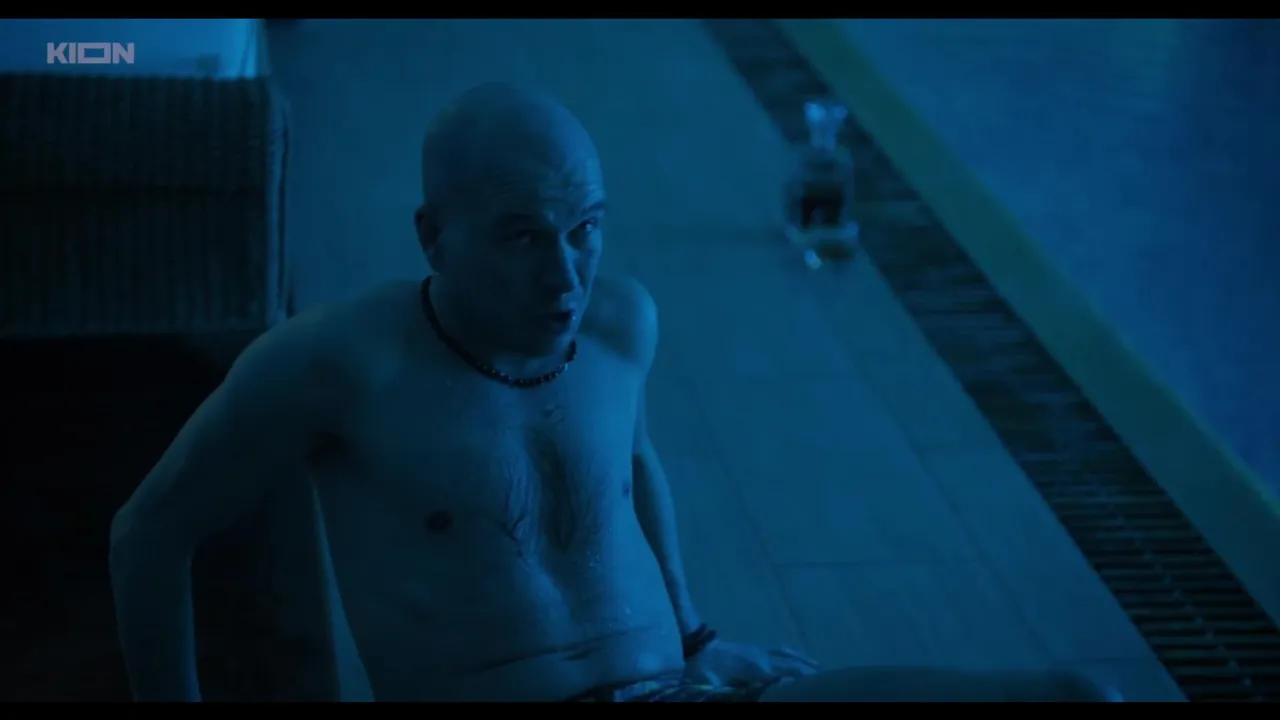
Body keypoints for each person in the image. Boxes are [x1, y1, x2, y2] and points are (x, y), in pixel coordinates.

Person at [109, 82, 1119, 702]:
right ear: (433, 238)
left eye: (584, 228)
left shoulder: (619, 325)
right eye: (521, 237)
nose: (565, 275)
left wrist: (695, 635)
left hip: (678, 692)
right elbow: (148, 531)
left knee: (1081, 695)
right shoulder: (336, 365)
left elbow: (629, 467)